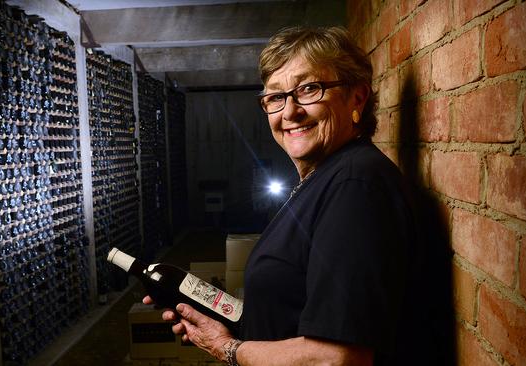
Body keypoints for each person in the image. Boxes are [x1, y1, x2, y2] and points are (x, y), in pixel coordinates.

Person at [144, 25, 422, 365]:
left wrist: (227, 349)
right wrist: (220, 324)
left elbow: (336, 359)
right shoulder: (325, 177)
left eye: (309, 89)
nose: (289, 112)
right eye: (276, 97)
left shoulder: (355, 186)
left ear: (357, 98)